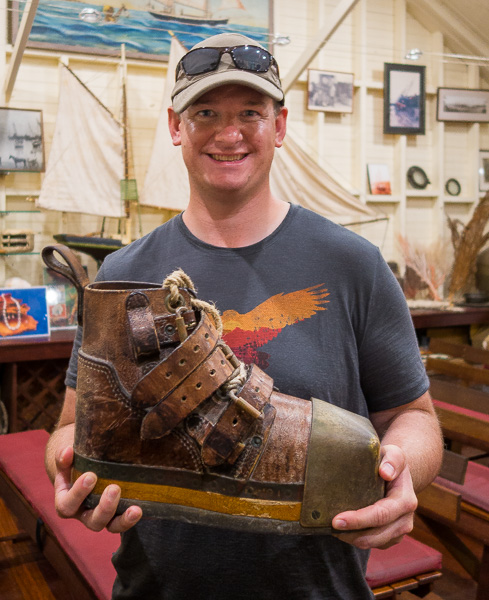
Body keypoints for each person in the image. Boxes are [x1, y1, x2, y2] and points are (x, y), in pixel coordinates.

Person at [45, 32, 443, 599]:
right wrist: (67, 471)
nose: (229, 134)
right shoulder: (121, 276)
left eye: (250, 113)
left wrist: (400, 472)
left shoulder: (353, 264)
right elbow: (68, 426)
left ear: (278, 127)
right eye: (206, 111)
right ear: (176, 126)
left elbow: (416, 417)